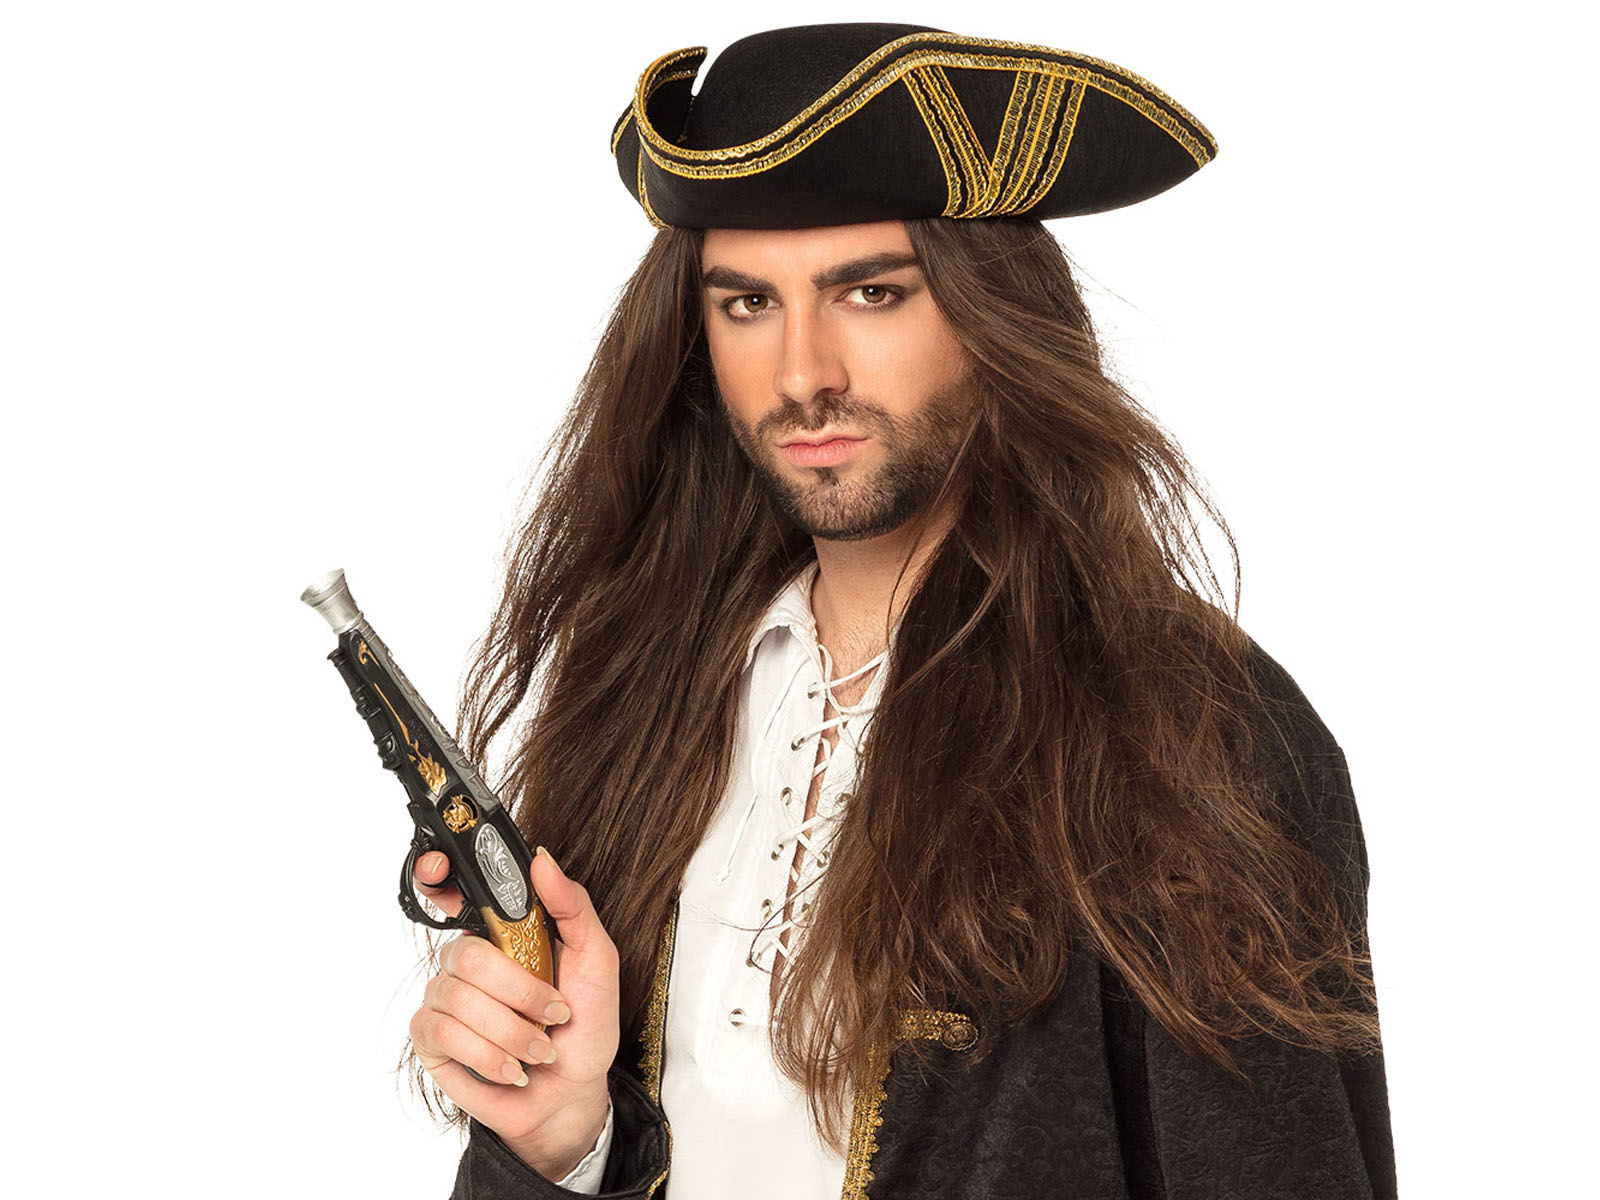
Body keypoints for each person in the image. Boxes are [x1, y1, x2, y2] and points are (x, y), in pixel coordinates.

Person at [404, 23, 1397, 1199]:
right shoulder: (646, 698)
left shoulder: (1189, 726)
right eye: (747, 303)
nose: (802, 373)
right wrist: (562, 1150)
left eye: (869, 292)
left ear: (990, 312)